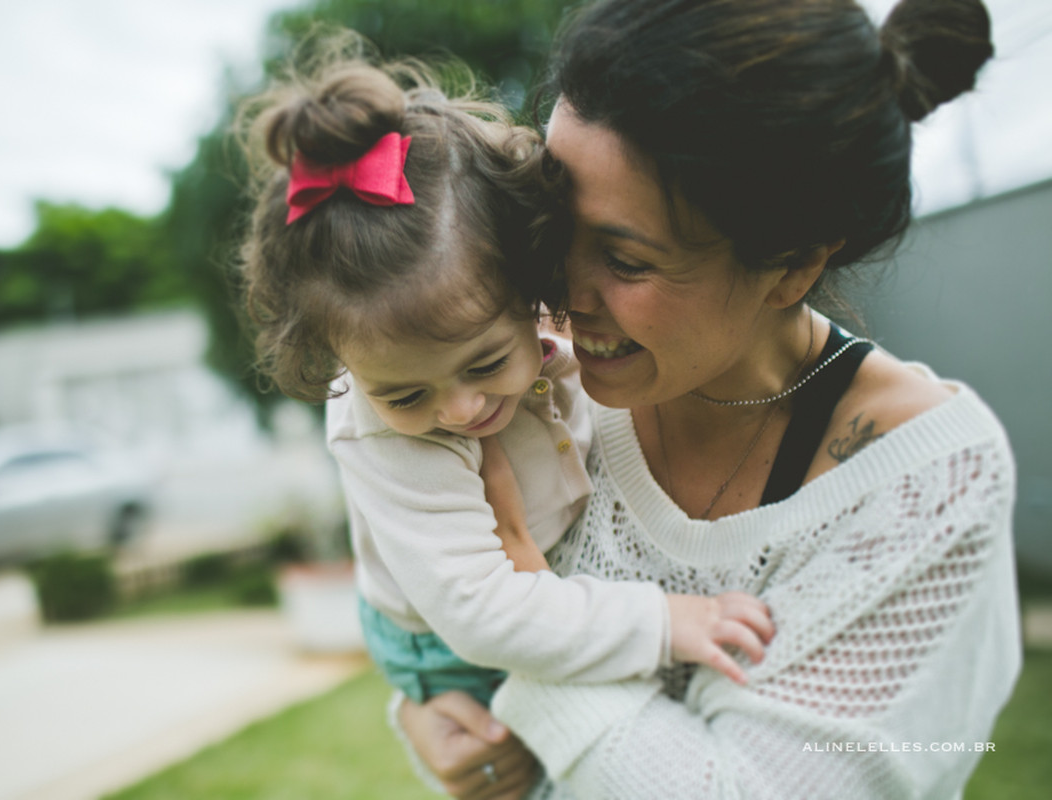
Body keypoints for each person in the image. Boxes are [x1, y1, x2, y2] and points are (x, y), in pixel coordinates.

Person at [397, 0, 1021, 797]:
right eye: (551, 224)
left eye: (624, 260)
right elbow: (406, 553)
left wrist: (523, 628)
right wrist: (427, 702)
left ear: (793, 264)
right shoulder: (523, 373)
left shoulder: (928, 484)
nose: (556, 286)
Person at [237, 45, 774, 779]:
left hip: (524, 595)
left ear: (529, 286)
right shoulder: (381, 435)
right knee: (534, 773)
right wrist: (663, 623)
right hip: (453, 644)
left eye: (486, 363)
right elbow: (486, 614)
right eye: (403, 394)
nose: (459, 409)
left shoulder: (557, 340)